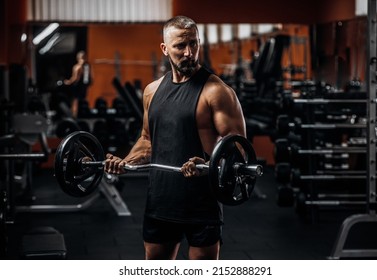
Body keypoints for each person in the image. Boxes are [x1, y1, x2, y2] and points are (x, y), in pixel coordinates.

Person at [104, 16, 246, 260]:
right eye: (180, 46)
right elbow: (147, 139)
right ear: (165, 49)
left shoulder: (216, 91)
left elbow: (239, 150)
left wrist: (205, 165)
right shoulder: (152, 91)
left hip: (202, 201)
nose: (189, 52)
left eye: (194, 44)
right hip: (161, 197)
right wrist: (125, 162)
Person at [63, 50, 92, 117]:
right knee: (81, 100)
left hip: (79, 86)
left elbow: (76, 78)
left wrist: (68, 82)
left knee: (75, 100)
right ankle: (78, 114)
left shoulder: (78, 67)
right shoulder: (87, 66)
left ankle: (75, 115)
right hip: (83, 86)